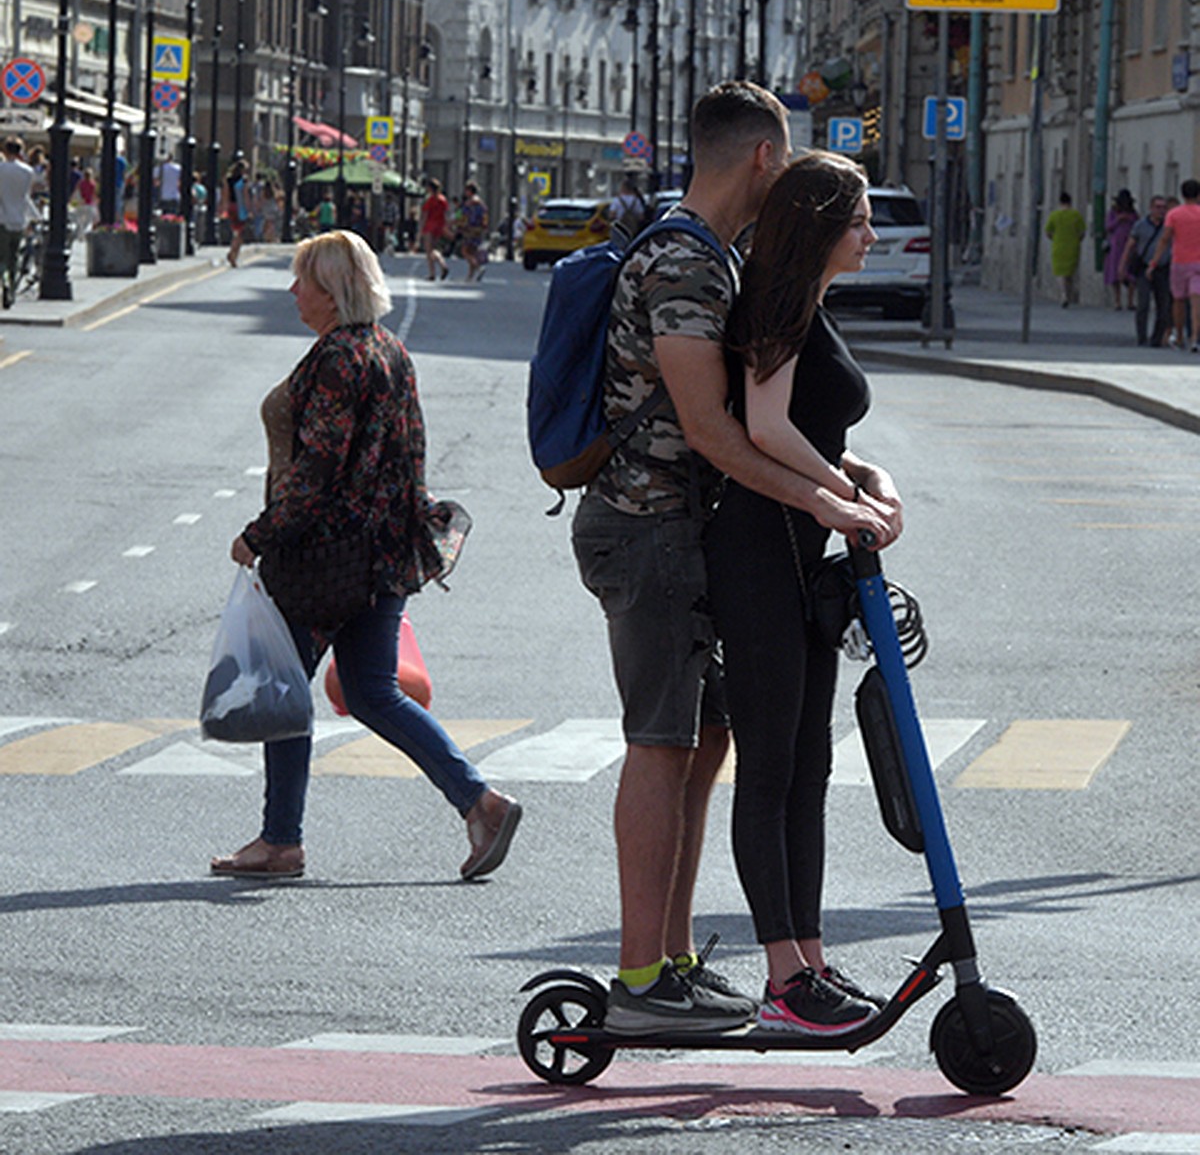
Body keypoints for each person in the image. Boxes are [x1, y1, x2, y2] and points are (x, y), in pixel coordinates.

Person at [571, 81, 898, 1036]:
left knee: (709, 747)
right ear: (763, 158)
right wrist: (832, 502)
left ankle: (670, 960)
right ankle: (641, 978)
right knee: (665, 743)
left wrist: (852, 484)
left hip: (692, 526)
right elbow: (722, 432)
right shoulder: (686, 263)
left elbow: (782, 421)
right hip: (652, 521)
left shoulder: (718, 259)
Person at [214, 229, 522, 879]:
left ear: (331, 291)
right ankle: (480, 802)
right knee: (375, 693)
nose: (293, 290)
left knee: (284, 688)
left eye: (303, 280)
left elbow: (316, 472)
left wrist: (260, 534)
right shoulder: (390, 351)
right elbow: (410, 457)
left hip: (324, 560)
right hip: (384, 555)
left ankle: (280, 840)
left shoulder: (335, 360)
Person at [706, 152, 903, 1034]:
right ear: (821, 226)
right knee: (774, 768)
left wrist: (871, 479)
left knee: (811, 769)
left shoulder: (810, 304)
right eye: (859, 220)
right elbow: (766, 425)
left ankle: (812, 961)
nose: (871, 234)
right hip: (757, 553)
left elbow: (815, 424)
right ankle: (783, 977)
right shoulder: (779, 301)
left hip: (801, 552)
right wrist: (845, 496)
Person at [1149, 179, 1200, 352]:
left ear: (1182, 194)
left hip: (1179, 262)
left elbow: (1165, 239)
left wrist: (1154, 262)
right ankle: (1194, 337)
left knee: (1178, 300)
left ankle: (1179, 336)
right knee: (1196, 301)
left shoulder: (1174, 215)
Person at [1120, 194, 1171, 348]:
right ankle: (1142, 337)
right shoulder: (1140, 225)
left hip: (1163, 268)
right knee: (1143, 304)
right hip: (1144, 268)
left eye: (1163, 208)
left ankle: (1156, 339)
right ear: (1151, 208)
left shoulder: (1169, 226)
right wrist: (1122, 265)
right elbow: (1130, 246)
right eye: (1158, 207)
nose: (1161, 211)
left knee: (1163, 305)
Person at [0, 137, 38, 309]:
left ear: (5, 151)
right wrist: (35, 217)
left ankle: (4, 283)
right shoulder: (27, 171)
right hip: (19, 220)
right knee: (14, 258)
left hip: (1, 218)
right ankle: (13, 290)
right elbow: (25, 197)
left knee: (1, 258)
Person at [1045, 191, 1087, 307]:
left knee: (1060, 273)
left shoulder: (1054, 215)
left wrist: (1054, 238)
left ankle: (1063, 294)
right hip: (1072, 246)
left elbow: (1047, 231)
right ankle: (1069, 293)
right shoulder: (1076, 215)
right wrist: (1077, 240)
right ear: (1070, 202)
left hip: (1058, 246)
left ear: (1060, 202)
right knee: (1070, 272)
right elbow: (1082, 232)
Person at [1104, 189, 1138, 311]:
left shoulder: (1133, 213)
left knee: (1131, 273)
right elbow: (1108, 227)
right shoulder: (1113, 212)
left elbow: (1137, 226)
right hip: (1116, 245)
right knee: (1115, 272)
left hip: (1130, 244)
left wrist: (1129, 219)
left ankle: (1130, 301)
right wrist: (1118, 219)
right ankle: (1117, 301)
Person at [458, 181, 489, 281]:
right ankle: (470, 276)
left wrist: (460, 225)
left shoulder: (469, 203)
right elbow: (485, 215)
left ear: (470, 191)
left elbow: (464, 215)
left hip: (470, 228)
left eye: (466, 190)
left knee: (465, 250)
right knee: (472, 251)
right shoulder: (481, 203)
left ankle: (478, 267)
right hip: (478, 229)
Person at [420, 178, 450, 280]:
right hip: (440, 226)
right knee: (436, 248)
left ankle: (433, 273)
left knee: (429, 251)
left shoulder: (430, 200)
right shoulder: (443, 199)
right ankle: (442, 264)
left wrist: (421, 228)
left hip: (429, 226)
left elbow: (425, 214)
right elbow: (446, 214)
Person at [224, 159, 249, 267]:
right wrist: (249, 209)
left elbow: (226, 195)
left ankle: (233, 254)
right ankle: (233, 255)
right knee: (240, 234)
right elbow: (245, 196)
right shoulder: (243, 181)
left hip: (231, 206)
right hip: (240, 208)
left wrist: (224, 208)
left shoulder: (228, 180)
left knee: (235, 231)